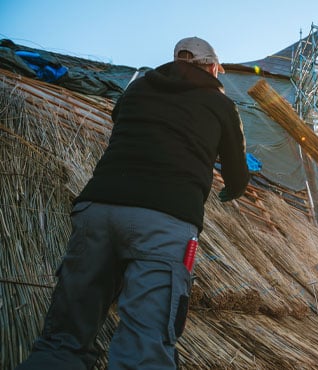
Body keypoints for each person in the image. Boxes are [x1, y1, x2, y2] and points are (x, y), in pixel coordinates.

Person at [16, 37, 250, 370]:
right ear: (212, 67)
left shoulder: (138, 89)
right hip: (165, 221)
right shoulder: (220, 105)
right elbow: (237, 173)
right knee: (145, 346)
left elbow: (122, 118)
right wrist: (233, 189)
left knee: (62, 339)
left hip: (98, 209)